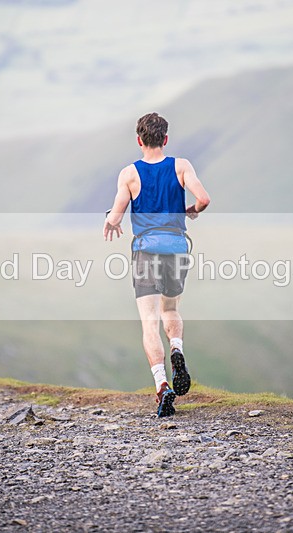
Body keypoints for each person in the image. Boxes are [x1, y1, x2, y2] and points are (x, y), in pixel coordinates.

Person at [103, 112, 211, 417]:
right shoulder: (181, 166)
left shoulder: (129, 174)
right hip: (176, 247)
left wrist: (110, 221)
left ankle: (163, 385)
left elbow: (116, 214)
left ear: (139, 141)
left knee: (149, 322)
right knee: (171, 309)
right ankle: (176, 347)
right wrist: (191, 210)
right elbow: (204, 198)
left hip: (145, 252)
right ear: (165, 139)